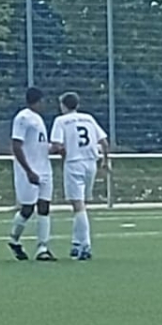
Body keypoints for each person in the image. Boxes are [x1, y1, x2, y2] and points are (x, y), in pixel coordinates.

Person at [49, 92, 110, 260]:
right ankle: (76, 243)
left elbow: (57, 145)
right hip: (91, 163)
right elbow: (104, 142)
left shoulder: (60, 121)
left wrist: (48, 151)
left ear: (63, 105)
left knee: (78, 206)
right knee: (82, 204)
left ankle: (85, 245)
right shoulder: (88, 118)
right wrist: (106, 161)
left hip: (74, 163)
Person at [8, 87, 56, 261]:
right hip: (29, 170)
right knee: (27, 208)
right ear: (38, 101)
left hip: (44, 168)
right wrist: (28, 170)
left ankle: (43, 247)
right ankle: (14, 239)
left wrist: (54, 148)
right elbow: (16, 145)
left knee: (44, 206)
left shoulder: (38, 119)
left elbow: (38, 145)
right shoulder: (23, 118)